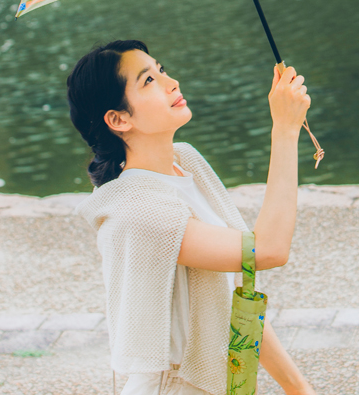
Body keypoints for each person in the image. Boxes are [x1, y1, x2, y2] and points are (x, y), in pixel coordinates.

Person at [67, 39, 316, 395]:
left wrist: (300, 389)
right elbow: (266, 251)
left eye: (161, 70)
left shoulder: (185, 162)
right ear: (119, 119)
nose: (171, 83)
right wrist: (285, 130)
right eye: (148, 81)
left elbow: (236, 292)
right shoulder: (139, 212)